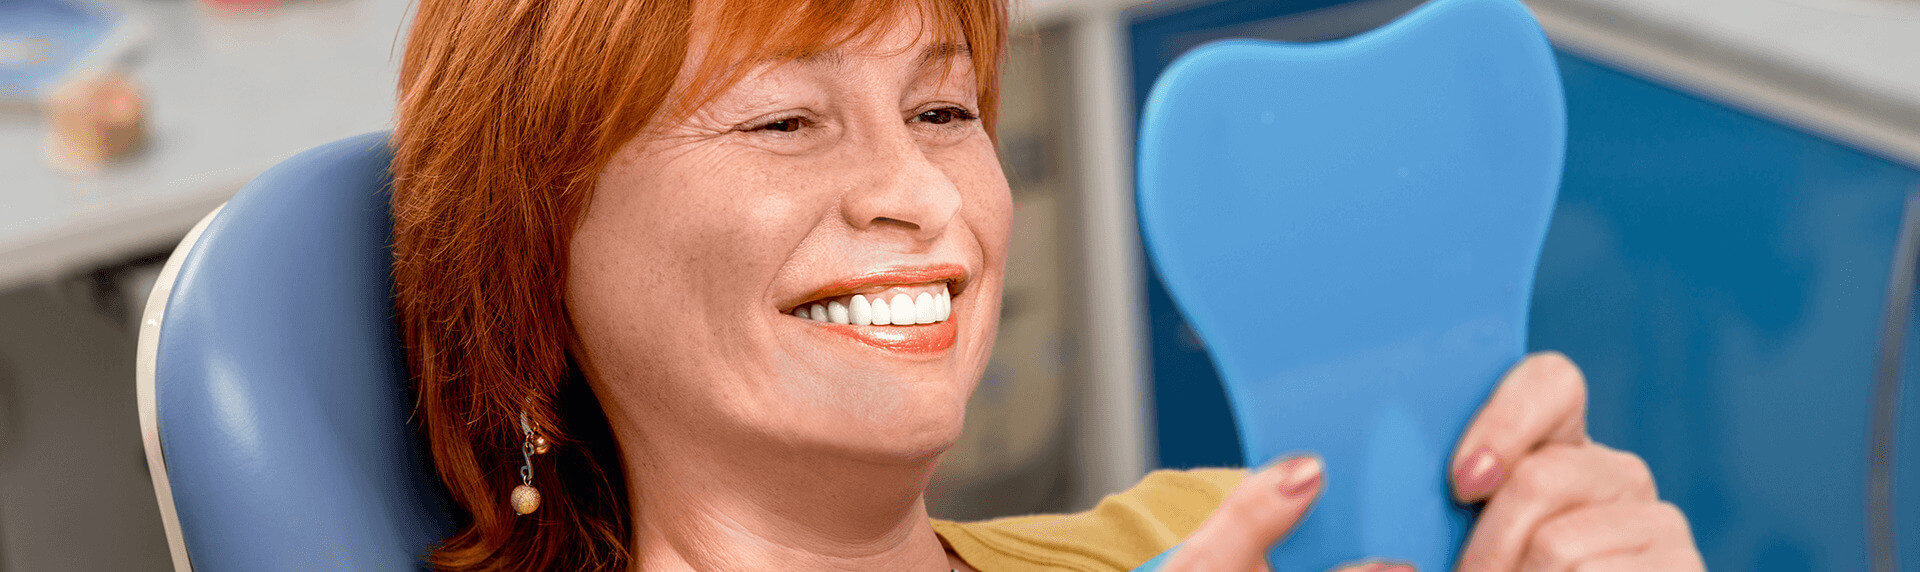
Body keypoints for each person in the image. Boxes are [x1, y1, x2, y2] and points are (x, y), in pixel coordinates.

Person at [388, 0, 1706, 570]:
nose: (922, 194)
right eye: (784, 122)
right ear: (534, 258)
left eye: (946, 111)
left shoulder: (1235, 536)